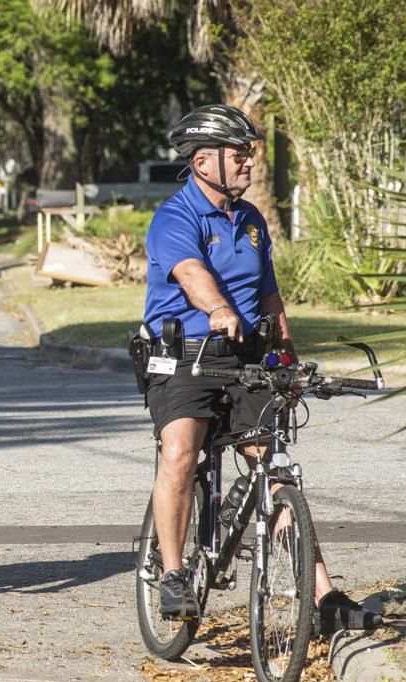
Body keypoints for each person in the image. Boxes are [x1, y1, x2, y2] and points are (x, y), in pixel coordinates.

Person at [144, 103, 380, 633]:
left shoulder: (249, 219)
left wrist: (288, 353)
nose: (250, 163)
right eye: (240, 154)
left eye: (250, 153)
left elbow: (269, 295)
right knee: (181, 449)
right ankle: (175, 573)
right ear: (204, 161)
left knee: (272, 465)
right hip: (186, 355)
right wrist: (219, 309)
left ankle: (323, 598)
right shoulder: (174, 217)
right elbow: (190, 272)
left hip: (248, 355)